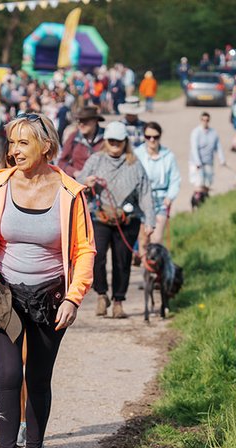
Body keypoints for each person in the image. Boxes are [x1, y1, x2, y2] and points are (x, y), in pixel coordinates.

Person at [0, 113, 95, 448]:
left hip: (50, 298)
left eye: (23, 142)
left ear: (46, 146)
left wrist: (74, 297)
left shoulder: (71, 193)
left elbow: (85, 250)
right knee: (8, 375)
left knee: (37, 379)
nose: (14, 150)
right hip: (2, 293)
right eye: (11, 143)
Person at [79, 121, 153, 320]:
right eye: (111, 140)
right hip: (100, 216)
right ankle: (102, 294)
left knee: (122, 262)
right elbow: (77, 183)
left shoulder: (134, 164)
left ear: (124, 142)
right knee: (97, 257)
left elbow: (145, 193)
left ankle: (119, 301)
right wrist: (86, 183)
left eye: (118, 141)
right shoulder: (96, 160)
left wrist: (150, 220)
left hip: (127, 220)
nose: (114, 144)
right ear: (106, 141)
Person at [133, 121, 180, 250]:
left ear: (160, 136)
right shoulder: (137, 154)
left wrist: (170, 197)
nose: (152, 140)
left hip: (161, 199)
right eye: (148, 137)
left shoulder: (168, 156)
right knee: (143, 239)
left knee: (156, 238)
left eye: (155, 137)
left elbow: (175, 179)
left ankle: (156, 267)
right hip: (142, 200)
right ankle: (145, 267)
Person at [57, 105, 105, 176]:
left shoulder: (106, 137)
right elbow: (61, 163)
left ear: (95, 121)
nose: (81, 124)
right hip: (79, 183)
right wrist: (75, 172)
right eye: (79, 121)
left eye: (85, 121)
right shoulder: (73, 138)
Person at [188, 112, 226, 201]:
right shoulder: (196, 132)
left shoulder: (213, 133)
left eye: (207, 120)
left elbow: (218, 147)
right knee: (198, 183)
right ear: (200, 120)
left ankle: (205, 201)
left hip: (208, 161)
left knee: (207, 183)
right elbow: (194, 148)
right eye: (203, 120)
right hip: (196, 162)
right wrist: (197, 162)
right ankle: (196, 202)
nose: (205, 122)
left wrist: (222, 159)